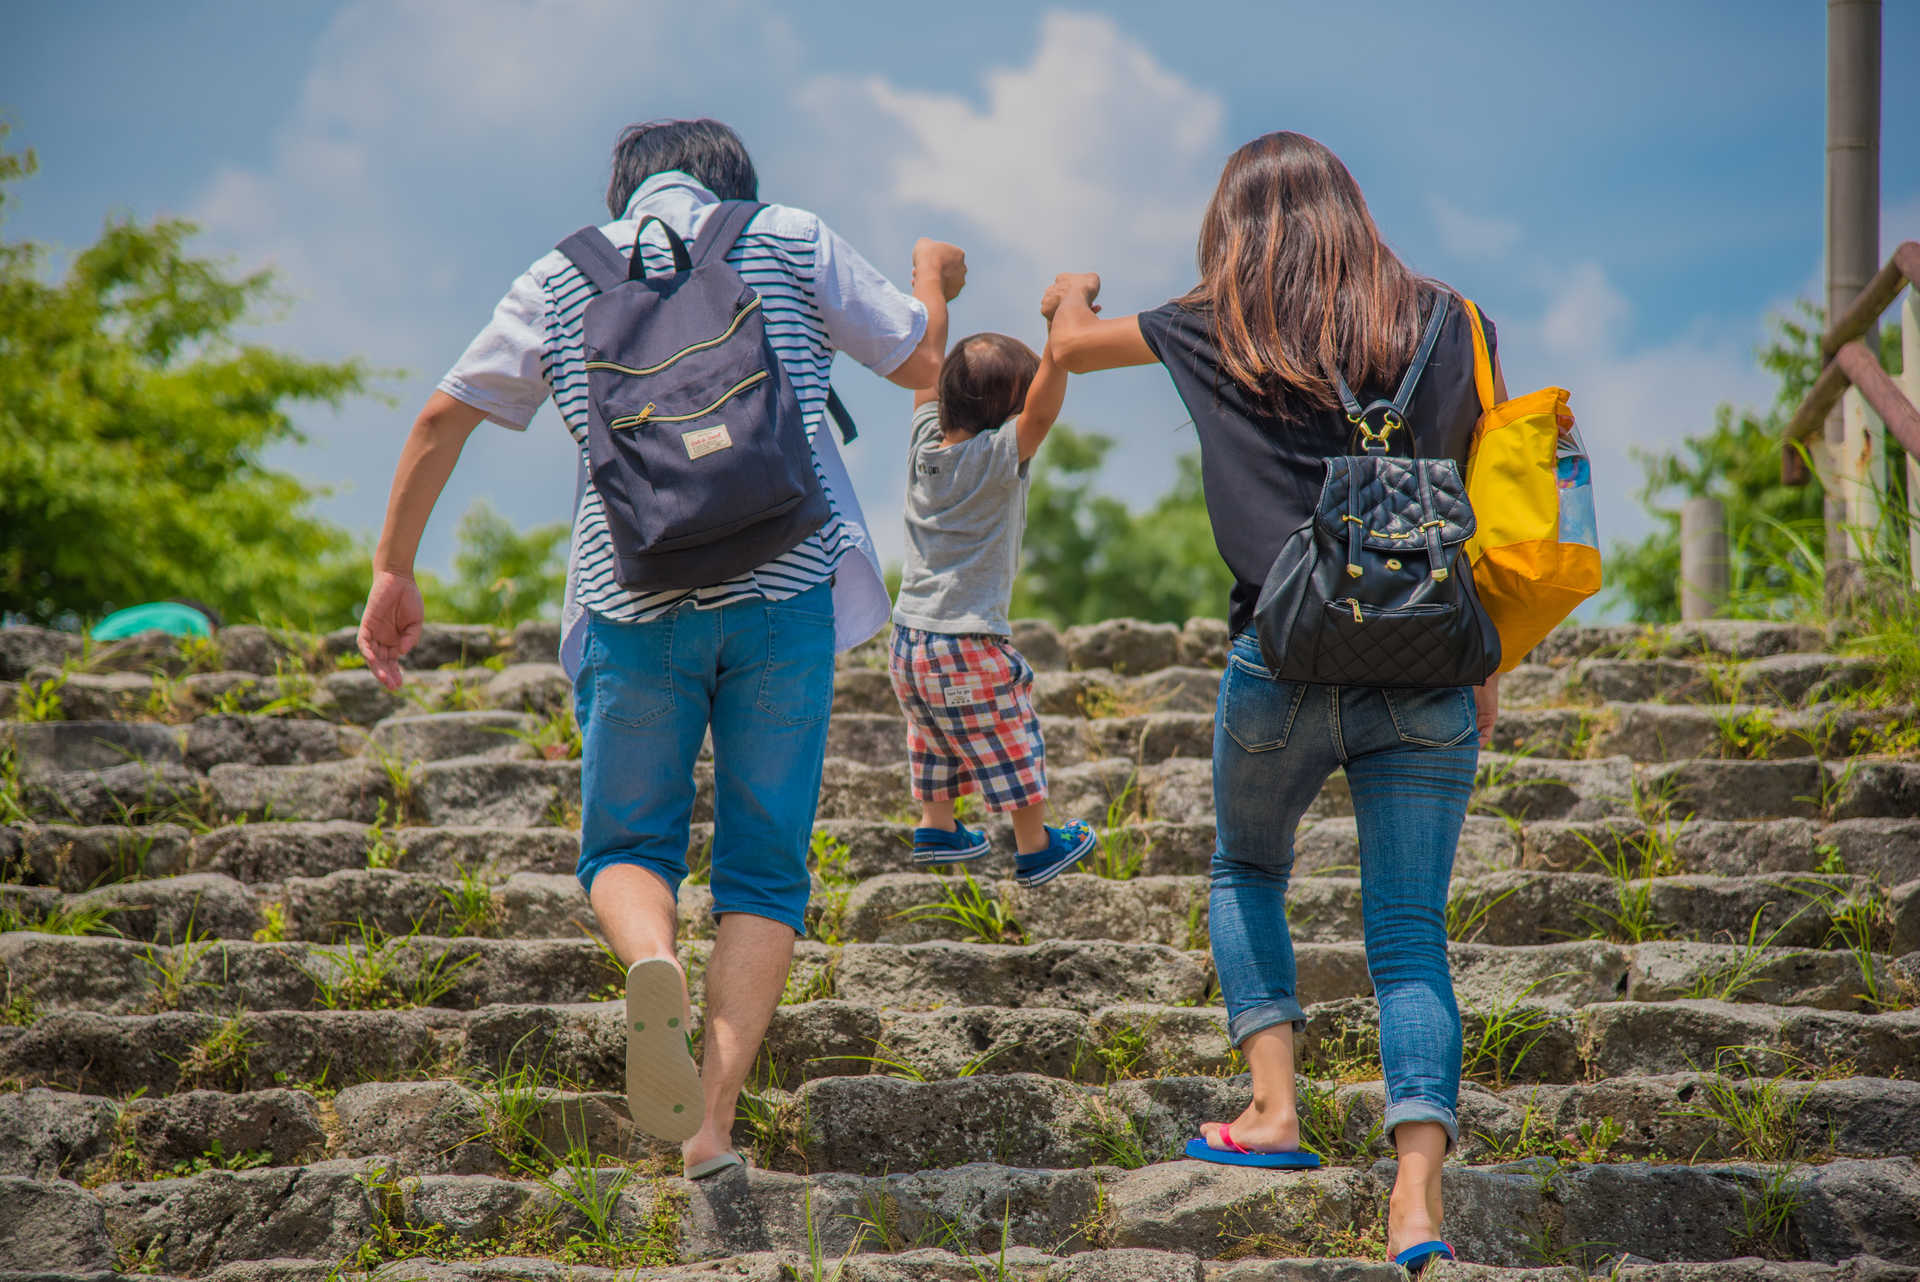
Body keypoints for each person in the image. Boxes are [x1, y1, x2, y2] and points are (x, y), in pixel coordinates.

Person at [355, 117, 963, 1179]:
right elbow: (927, 364)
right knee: (764, 873)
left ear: (624, 192)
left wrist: (393, 569)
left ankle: (652, 961)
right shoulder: (785, 236)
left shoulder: (559, 273)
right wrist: (930, 275)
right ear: (736, 183)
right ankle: (710, 1129)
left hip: (634, 600)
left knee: (626, 847)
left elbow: (442, 416)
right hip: (783, 594)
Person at [1039, 131, 1574, 1275]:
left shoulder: (1208, 322)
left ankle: (1274, 1114)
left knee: (1248, 869)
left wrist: (1071, 291)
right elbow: (1493, 503)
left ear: (1232, 227)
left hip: (1278, 663)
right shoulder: (1456, 323)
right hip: (1430, 665)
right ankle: (1417, 1201)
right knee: (1410, 939)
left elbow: (1072, 347)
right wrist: (1486, 671)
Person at [886, 282, 1096, 884]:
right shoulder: (1001, 457)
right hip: (969, 641)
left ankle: (937, 824)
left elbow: (929, 361)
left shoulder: (923, 448)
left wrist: (930, 279)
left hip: (908, 644)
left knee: (931, 732)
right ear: (1009, 410)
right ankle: (1035, 846)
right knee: (1009, 730)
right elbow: (1044, 409)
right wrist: (1062, 327)